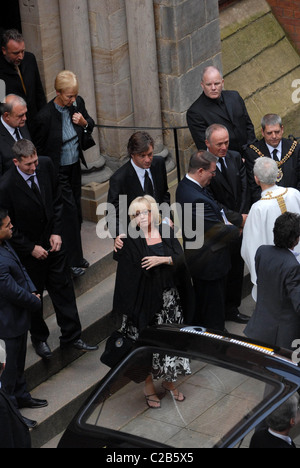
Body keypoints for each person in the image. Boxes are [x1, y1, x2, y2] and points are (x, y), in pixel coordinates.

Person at [0, 139, 98, 360]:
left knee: (64, 289)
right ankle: (39, 339)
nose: (34, 167)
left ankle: (72, 336)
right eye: (28, 165)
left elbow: (56, 200)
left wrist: (56, 232)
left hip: (53, 244)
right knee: (35, 298)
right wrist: (30, 248)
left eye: (35, 161)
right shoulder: (5, 186)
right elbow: (7, 227)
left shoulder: (46, 165)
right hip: (28, 254)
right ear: (16, 162)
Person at [113, 195, 194, 408]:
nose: (141, 217)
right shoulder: (130, 239)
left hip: (170, 302)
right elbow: (124, 270)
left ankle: (169, 382)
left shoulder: (165, 231)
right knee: (146, 346)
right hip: (145, 304)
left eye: (145, 212)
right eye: (136, 214)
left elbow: (180, 257)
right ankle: (148, 387)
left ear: (153, 213)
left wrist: (162, 259)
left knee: (172, 343)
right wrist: (117, 241)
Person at [32, 70, 94, 278]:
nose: (73, 99)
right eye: (69, 96)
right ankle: (71, 261)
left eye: (75, 95)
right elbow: (39, 150)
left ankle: (77, 255)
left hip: (74, 166)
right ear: (58, 93)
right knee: (67, 214)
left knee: (76, 211)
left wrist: (84, 124)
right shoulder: (44, 116)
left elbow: (90, 124)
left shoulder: (78, 104)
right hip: (57, 173)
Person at [176, 150, 240, 331]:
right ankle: (217, 339)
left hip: (211, 258)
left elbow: (218, 209)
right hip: (208, 262)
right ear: (201, 171)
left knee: (215, 303)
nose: (214, 175)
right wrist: (239, 228)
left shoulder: (193, 188)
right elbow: (217, 230)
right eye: (212, 172)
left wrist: (234, 218)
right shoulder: (193, 197)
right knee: (212, 307)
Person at [0, 208, 47, 429]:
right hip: (6, 324)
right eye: (7, 225)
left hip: (18, 319)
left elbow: (21, 268)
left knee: (19, 364)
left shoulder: (5, 243)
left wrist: (32, 289)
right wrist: (34, 300)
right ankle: (15, 419)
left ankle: (23, 396)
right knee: (7, 376)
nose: (11, 227)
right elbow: (10, 290)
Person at [205, 124, 250, 324]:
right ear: (207, 143)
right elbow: (211, 201)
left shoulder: (233, 157)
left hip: (239, 224)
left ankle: (232, 308)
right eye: (219, 144)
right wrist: (236, 219)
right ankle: (219, 312)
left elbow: (244, 188)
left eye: (226, 142)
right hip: (221, 227)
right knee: (221, 270)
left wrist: (242, 217)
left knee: (236, 268)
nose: (224, 147)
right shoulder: (203, 165)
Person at [241, 157, 300, 300]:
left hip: (276, 274)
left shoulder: (258, 209)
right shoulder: (295, 193)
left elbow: (250, 248)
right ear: (277, 174)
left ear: (256, 179)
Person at [106, 131, 171, 252]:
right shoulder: (120, 178)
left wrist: (167, 217)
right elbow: (112, 212)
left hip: (161, 229)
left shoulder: (159, 163)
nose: (148, 159)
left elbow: (164, 194)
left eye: (150, 154)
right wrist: (118, 234)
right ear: (132, 154)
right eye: (142, 156)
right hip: (136, 238)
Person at [244, 212, 300, 350]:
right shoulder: (292, 265)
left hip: (260, 325)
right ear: (296, 239)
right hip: (282, 333)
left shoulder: (262, 251)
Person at [186, 66, 256, 155]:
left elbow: (248, 125)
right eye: (209, 84)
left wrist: (251, 149)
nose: (213, 88)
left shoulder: (235, 96)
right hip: (226, 161)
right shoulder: (195, 112)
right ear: (202, 85)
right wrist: (235, 159)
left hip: (249, 153)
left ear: (222, 83)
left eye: (217, 83)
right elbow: (205, 146)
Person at [245, 113, 300, 204]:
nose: (274, 136)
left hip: (294, 202)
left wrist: (294, 199)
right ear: (262, 132)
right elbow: (254, 187)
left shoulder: (295, 148)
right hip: (268, 205)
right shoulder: (253, 153)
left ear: (282, 129)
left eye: (277, 132)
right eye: (269, 133)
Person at [0, 29, 46, 133]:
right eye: (16, 53)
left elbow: (39, 92)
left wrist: (44, 118)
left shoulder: (30, 59)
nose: (21, 56)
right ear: (4, 50)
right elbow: (2, 106)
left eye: (22, 51)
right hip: (17, 128)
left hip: (37, 123)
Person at [0, 94, 31, 175]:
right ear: (7, 116)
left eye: (25, 113)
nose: (25, 118)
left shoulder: (20, 123)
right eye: (21, 115)